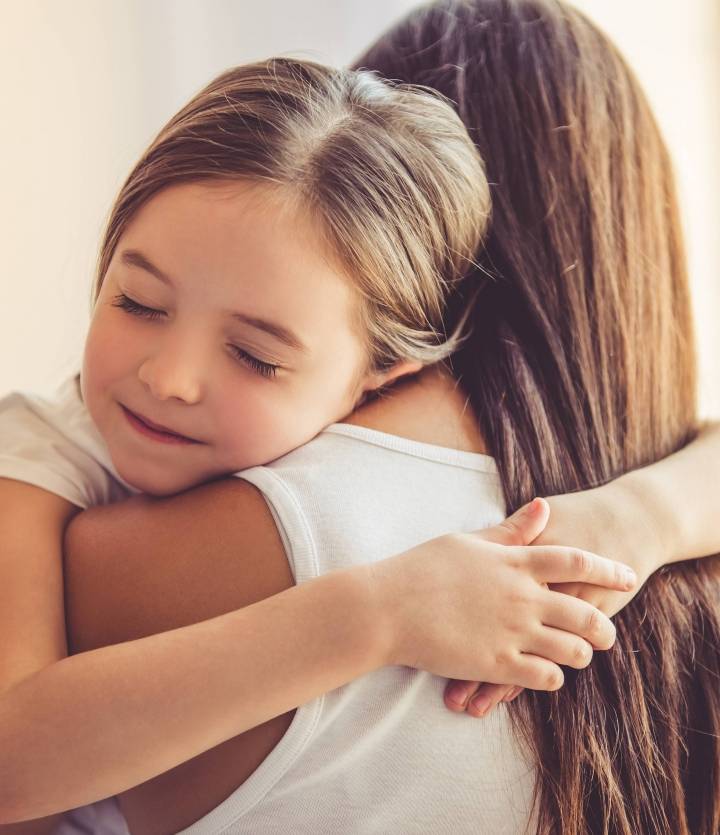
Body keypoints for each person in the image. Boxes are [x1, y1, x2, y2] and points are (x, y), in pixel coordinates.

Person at [1, 4, 718, 832]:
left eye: (256, 357)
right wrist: (376, 613)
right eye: (136, 300)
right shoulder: (42, 448)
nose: (169, 377)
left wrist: (637, 518)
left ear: (385, 374)